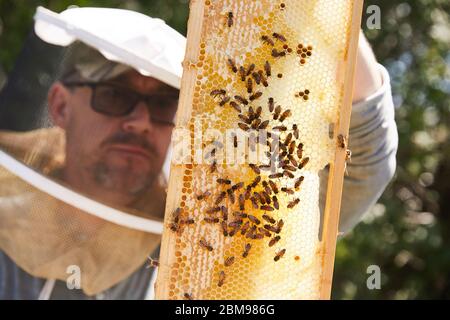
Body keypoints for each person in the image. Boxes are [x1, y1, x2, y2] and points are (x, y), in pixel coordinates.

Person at [0, 8, 397, 300]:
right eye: (115, 96)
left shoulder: (207, 229)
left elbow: (362, 167)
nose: (140, 122)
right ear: (61, 106)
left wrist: (324, 9)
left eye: (163, 106)